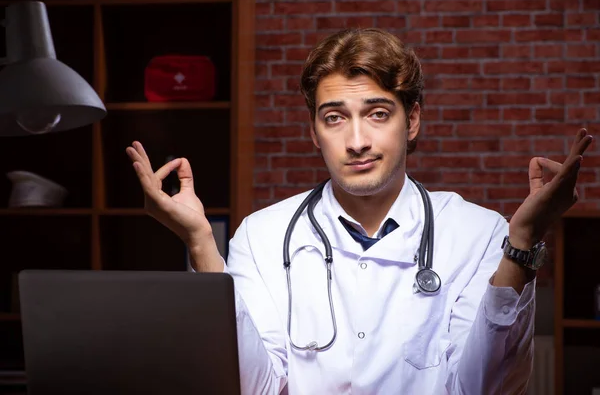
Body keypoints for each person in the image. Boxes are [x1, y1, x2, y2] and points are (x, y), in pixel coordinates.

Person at [126, 28, 593, 394]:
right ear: (314, 131)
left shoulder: (479, 233)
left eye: (377, 113)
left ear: (411, 121)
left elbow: (484, 389)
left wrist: (523, 243)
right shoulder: (262, 237)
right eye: (334, 117)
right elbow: (254, 387)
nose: (356, 141)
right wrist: (201, 244)